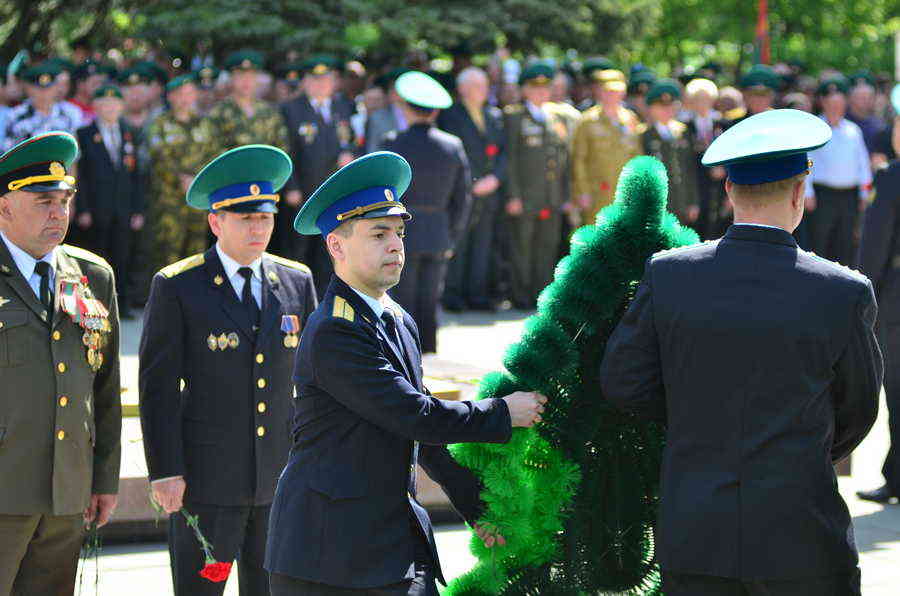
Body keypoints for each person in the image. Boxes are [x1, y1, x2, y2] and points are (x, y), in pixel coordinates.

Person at [601, 109, 882, 596]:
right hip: (801, 533)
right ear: (800, 193)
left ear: (729, 191)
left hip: (696, 529)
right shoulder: (842, 290)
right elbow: (858, 408)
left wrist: (697, 423)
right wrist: (801, 450)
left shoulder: (670, 275)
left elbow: (624, 382)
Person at [265, 150, 547, 595]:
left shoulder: (396, 318)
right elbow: (412, 415)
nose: (396, 245)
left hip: (389, 541)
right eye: (378, 234)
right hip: (328, 555)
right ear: (336, 246)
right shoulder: (334, 330)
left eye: (398, 232)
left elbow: (423, 437)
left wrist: (476, 504)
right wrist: (501, 412)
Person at [140, 144, 317, 596]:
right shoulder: (179, 285)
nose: (258, 229)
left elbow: (312, 382)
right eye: (245, 219)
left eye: (265, 218)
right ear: (216, 221)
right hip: (207, 481)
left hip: (279, 478)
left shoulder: (296, 280)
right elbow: (157, 387)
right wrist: (165, 471)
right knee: (202, 588)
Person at [0, 131, 121, 594]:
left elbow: (105, 388)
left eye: (64, 201)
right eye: (43, 201)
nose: (58, 214)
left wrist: (104, 478)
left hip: (66, 489)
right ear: (6, 206)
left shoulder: (91, 275)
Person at [378, 71, 471, 353]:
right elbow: (463, 197)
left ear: (406, 108)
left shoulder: (392, 142)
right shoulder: (452, 145)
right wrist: (452, 234)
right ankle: (428, 350)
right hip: (438, 229)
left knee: (401, 296)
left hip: (400, 229)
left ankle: (403, 350)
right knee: (430, 297)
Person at [503, 62, 578, 310]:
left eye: (545, 88)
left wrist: (566, 195)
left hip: (552, 195)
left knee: (546, 247)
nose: (541, 93)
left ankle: (541, 293)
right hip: (525, 195)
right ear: (524, 90)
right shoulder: (514, 116)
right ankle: (520, 295)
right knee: (522, 248)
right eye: (535, 88)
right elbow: (510, 159)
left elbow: (563, 160)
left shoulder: (556, 117)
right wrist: (513, 195)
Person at [280, 54, 357, 295]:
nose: (321, 84)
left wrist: (350, 153)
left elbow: (353, 140)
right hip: (303, 193)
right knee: (299, 252)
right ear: (305, 82)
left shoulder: (343, 106)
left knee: (330, 251)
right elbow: (286, 149)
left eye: (326, 79)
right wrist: (290, 186)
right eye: (315, 80)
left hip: (334, 196)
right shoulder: (291, 109)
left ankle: (326, 301)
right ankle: (295, 300)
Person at [856, 114, 900, 505]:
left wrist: (864, 295)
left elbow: (876, 243)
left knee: (898, 388)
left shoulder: (891, 178)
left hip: (897, 296)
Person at [437, 66, 506, 312]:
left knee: (483, 243)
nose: (483, 90)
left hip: (490, 190)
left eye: (485, 85)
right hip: (463, 189)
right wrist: (470, 183)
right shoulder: (450, 116)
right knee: (461, 242)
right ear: (463, 88)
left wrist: (496, 178)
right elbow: (450, 154)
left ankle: (478, 295)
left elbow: (503, 152)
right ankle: (453, 295)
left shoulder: (495, 115)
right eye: (477, 86)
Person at [75, 84, 145, 318]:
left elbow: (136, 176)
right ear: (95, 106)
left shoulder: (129, 132)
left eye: (115, 104)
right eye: (104, 103)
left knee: (122, 257)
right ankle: (96, 306)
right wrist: (82, 208)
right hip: (96, 208)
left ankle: (121, 306)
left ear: (122, 106)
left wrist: (138, 209)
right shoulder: (84, 134)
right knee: (96, 258)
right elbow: (80, 176)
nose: (110, 108)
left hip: (123, 207)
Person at [145, 74, 215, 274]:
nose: (185, 98)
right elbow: (159, 157)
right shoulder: (159, 123)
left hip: (198, 198)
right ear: (171, 97)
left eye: (190, 93)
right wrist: (181, 179)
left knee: (197, 251)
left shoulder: (204, 123)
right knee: (168, 251)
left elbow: (213, 154)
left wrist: (198, 181)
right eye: (180, 94)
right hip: (168, 200)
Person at [804, 76, 872, 266]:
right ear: (823, 103)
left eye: (839, 103)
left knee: (846, 244)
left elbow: (863, 164)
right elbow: (806, 161)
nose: (835, 107)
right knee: (820, 244)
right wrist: (807, 191)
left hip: (849, 197)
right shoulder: (814, 128)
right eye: (831, 103)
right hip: (823, 195)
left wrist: (865, 192)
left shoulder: (853, 130)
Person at [571, 68, 641, 225]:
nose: (612, 96)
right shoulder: (587, 121)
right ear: (599, 93)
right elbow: (579, 159)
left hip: (626, 193)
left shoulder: (630, 119)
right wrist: (582, 192)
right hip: (597, 193)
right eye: (607, 91)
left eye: (616, 91)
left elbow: (637, 157)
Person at [206, 51, 290, 165]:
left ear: (257, 79)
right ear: (231, 79)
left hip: (265, 176)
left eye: (251, 76)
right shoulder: (219, 113)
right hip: (232, 178)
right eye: (240, 76)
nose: (246, 81)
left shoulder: (269, 111)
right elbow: (211, 152)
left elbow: (281, 148)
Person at [641, 79, 699, 228]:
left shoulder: (683, 131)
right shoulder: (643, 135)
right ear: (651, 109)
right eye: (661, 106)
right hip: (657, 204)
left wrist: (693, 201)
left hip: (681, 201)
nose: (667, 110)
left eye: (671, 106)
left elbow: (690, 169)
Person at [681, 78, 730, 239]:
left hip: (721, 186)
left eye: (706, 99)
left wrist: (724, 170)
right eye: (697, 99)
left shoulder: (723, 124)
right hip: (697, 185)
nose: (702, 103)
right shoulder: (684, 127)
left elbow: (730, 155)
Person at [3, 62, 84, 150]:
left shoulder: (70, 114)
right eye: (39, 89)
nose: (44, 94)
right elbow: (8, 153)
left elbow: (75, 152)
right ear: (29, 89)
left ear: (56, 88)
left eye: (49, 88)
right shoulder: (15, 116)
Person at [365, 68, 409, 153]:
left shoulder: (420, 112)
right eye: (394, 88)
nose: (397, 93)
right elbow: (373, 150)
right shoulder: (377, 117)